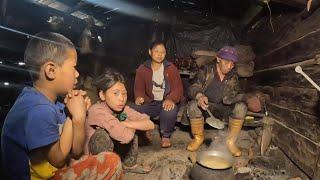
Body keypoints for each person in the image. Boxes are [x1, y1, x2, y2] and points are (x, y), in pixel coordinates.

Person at [1, 32, 122, 180]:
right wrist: (75, 116)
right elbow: (58, 160)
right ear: (51, 71)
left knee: (91, 157)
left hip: (54, 170)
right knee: (110, 162)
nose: (77, 74)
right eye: (73, 67)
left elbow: (76, 151)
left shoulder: (55, 103)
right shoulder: (37, 109)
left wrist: (77, 117)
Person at [187, 46, 256, 156]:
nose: (229, 66)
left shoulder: (233, 76)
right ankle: (198, 138)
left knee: (241, 107)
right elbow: (193, 87)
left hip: (224, 108)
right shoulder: (206, 70)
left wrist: (244, 97)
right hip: (206, 107)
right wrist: (199, 96)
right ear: (218, 59)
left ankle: (230, 141)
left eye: (232, 63)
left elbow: (232, 97)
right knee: (193, 106)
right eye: (227, 62)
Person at [85, 68, 155, 174]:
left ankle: (129, 165)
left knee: (130, 126)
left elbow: (150, 124)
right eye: (116, 93)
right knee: (102, 135)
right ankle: (103, 172)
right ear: (102, 95)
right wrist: (129, 125)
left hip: (114, 148)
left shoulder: (122, 108)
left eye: (124, 94)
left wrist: (126, 123)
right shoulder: (97, 111)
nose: (121, 98)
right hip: (91, 160)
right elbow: (125, 136)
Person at [131, 40, 185, 148]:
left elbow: (178, 89)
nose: (160, 55)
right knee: (132, 109)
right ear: (150, 52)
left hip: (167, 101)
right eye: (156, 51)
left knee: (169, 110)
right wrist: (139, 97)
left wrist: (171, 99)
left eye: (163, 52)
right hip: (151, 102)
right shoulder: (142, 69)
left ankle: (165, 136)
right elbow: (139, 88)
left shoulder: (171, 68)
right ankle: (143, 131)